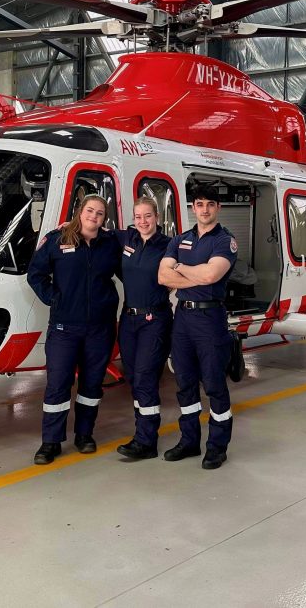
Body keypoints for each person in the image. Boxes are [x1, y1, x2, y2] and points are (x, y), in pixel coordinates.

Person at [27, 194, 121, 465]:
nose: (94, 216)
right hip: (64, 327)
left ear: (105, 218)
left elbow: (132, 266)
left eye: (100, 213)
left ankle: (84, 435)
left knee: (92, 384)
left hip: (100, 328)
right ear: (80, 212)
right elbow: (36, 273)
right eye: (90, 211)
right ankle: (50, 442)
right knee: (58, 384)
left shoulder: (110, 243)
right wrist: (53, 298)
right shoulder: (58, 239)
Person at [158, 185, 238, 470]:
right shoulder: (181, 239)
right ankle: (189, 441)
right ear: (193, 207)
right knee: (185, 384)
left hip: (210, 320)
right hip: (182, 319)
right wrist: (197, 275)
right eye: (199, 204)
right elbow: (162, 276)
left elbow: (212, 274)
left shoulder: (224, 241)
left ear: (218, 208)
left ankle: (217, 447)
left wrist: (181, 269)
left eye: (210, 204)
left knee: (214, 385)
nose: (204, 209)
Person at [114, 197, 173, 460]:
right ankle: (143, 433)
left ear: (157, 217)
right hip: (128, 320)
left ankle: (146, 441)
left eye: (147, 216)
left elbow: (178, 274)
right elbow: (94, 229)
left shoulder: (169, 244)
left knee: (146, 377)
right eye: (138, 216)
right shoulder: (127, 238)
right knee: (134, 379)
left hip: (155, 319)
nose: (142, 221)